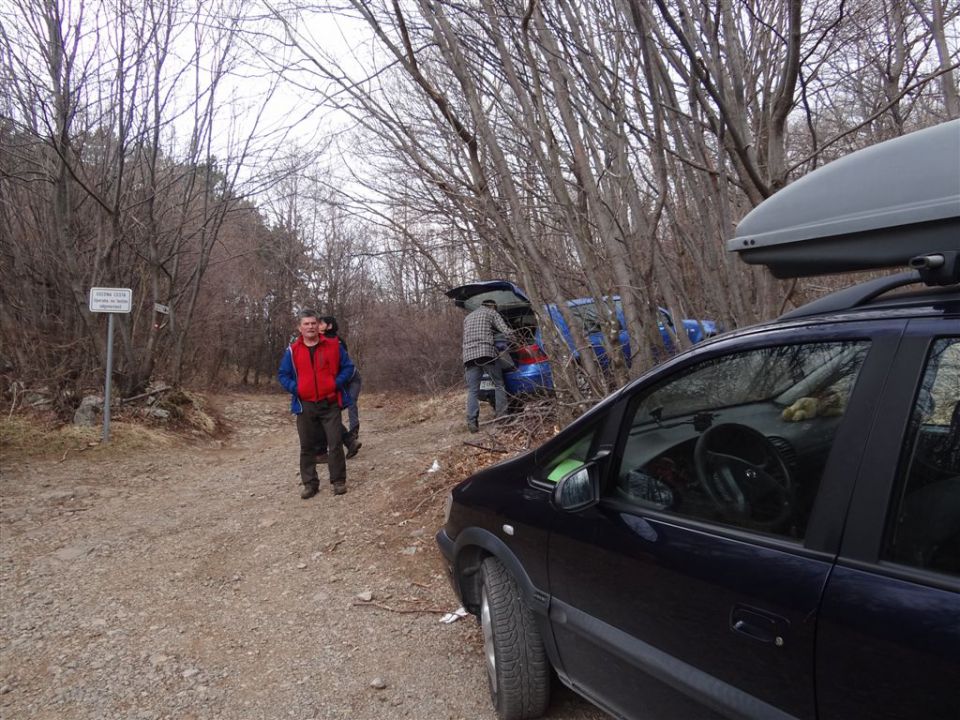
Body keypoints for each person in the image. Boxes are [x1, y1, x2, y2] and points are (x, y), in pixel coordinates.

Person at [278, 309, 356, 498]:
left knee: (335, 442)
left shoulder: (333, 346)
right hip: (305, 405)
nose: (310, 327)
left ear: (318, 326)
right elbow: (282, 375)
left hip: (330, 402)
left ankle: (338, 481)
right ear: (300, 327)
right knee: (307, 446)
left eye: (313, 323)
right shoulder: (292, 351)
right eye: (306, 324)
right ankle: (310, 484)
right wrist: (297, 389)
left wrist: (334, 384)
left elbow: (348, 368)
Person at [314, 316, 362, 459]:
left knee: (346, 405)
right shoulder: (317, 339)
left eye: (320, 323)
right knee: (329, 415)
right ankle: (349, 441)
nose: (317, 325)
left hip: (348, 379)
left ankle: (352, 433)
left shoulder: (336, 342)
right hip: (334, 381)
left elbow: (344, 365)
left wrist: (334, 383)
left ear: (328, 326)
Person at [462, 298, 512, 432]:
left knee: (473, 390)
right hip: (485, 353)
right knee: (499, 384)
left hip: (468, 356)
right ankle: (502, 418)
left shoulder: (468, 317)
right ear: (493, 306)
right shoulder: (491, 313)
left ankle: (472, 422)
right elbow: (505, 330)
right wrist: (516, 338)